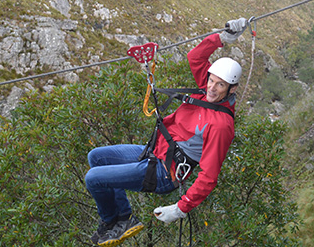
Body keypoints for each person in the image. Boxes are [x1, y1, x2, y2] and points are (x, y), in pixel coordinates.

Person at [84, 18, 247, 246]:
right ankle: (124, 216)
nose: (212, 87)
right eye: (211, 80)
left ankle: (115, 220)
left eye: (220, 85)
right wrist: (223, 38)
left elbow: (209, 177)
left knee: (93, 179)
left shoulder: (220, 125)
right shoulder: (206, 92)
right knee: (96, 157)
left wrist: (181, 208)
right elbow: (196, 57)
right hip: (155, 151)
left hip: (164, 172)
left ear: (232, 89)